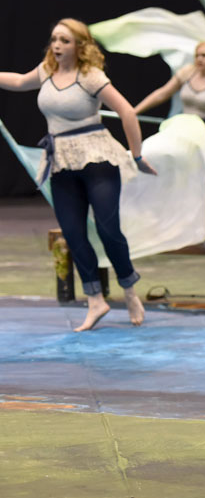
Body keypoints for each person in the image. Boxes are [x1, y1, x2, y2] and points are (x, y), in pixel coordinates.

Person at [0, 18, 157, 331]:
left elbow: (126, 112)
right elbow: (18, 81)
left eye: (65, 40)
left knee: (107, 228)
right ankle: (95, 300)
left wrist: (136, 155)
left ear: (79, 46)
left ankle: (129, 290)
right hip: (61, 162)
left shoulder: (91, 76)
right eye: (54, 39)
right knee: (72, 232)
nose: (57, 45)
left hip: (97, 159)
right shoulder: (46, 72)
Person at [134, 41, 205, 226]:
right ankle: (181, 224)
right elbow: (162, 93)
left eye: (204, 55)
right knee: (182, 180)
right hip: (186, 132)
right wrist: (135, 111)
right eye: (197, 55)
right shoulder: (188, 72)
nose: (199, 59)